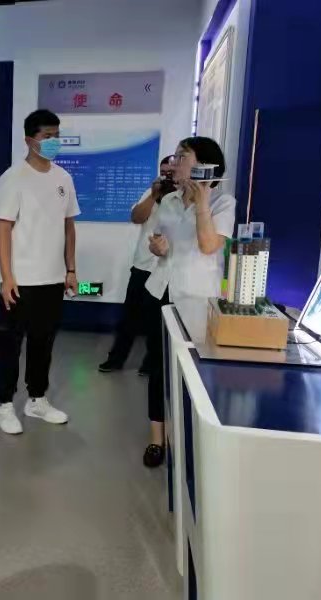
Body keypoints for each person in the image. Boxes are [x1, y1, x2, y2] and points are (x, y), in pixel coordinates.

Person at [142, 136, 236, 468]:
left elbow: (209, 245)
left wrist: (202, 202)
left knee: (192, 372)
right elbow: (156, 240)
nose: (175, 163)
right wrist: (157, 247)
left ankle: (191, 437)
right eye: (177, 157)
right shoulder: (168, 200)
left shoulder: (223, 202)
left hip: (196, 299)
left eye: (182, 157)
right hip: (161, 291)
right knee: (158, 368)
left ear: (204, 165)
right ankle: (157, 440)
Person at [0, 109, 77, 435]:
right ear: (29, 140)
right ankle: (4, 405)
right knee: (10, 343)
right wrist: (7, 277)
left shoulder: (63, 178)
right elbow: (3, 229)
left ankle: (37, 399)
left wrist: (71, 269)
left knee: (44, 342)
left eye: (57, 135)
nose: (54, 141)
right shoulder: (13, 178)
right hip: (20, 280)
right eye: (47, 136)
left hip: (52, 278)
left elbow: (69, 227)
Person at [99, 155, 175, 375]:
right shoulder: (151, 193)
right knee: (129, 316)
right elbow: (136, 217)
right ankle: (116, 359)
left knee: (156, 321)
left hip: (166, 269)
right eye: (163, 172)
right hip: (143, 265)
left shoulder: (182, 199)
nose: (167, 177)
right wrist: (154, 195)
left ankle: (151, 363)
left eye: (171, 173)